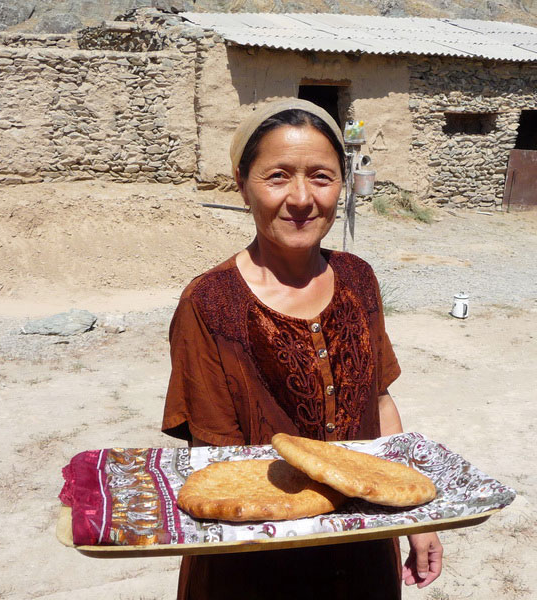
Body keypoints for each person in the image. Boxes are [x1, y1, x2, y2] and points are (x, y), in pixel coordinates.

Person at [162, 98, 443, 600]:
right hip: (256, 560)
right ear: (242, 183)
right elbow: (218, 457)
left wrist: (413, 518)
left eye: (321, 176)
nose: (301, 198)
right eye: (276, 177)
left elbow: (379, 404)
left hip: (361, 549)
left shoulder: (358, 279)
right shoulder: (209, 303)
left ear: (342, 183)